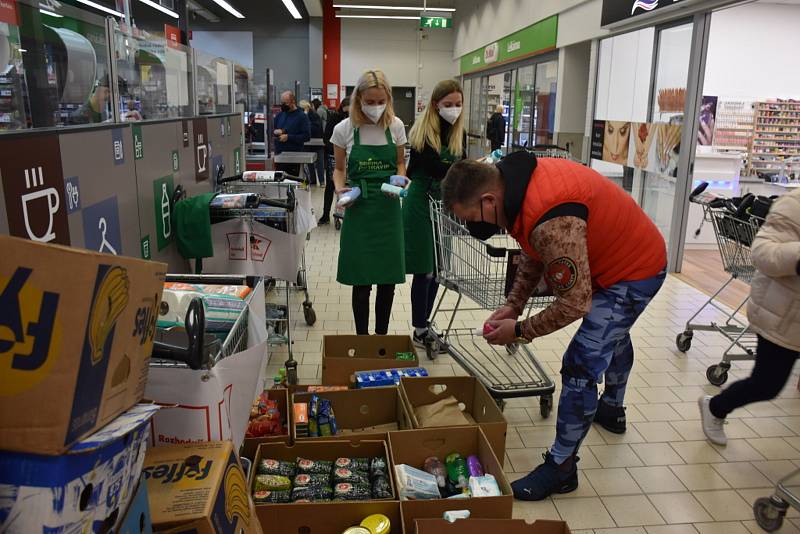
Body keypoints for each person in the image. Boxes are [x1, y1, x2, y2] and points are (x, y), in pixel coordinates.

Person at [441, 151, 667, 500]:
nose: (474, 229)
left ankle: (561, 467)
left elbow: (575, 303)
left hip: (635, 271)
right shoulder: (518, 188)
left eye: (472, 219)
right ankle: (612, 408)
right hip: (615, 258)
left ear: (488, 199)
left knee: (581, 363)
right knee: (612, 334)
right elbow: (535, 253)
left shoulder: (549, 217)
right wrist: (512, 306)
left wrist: (518, 331)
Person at [700, 188, 800, 445]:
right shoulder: (793, 204)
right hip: (783, 315)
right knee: (767, 384)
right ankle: (716, 407)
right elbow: (762, 253)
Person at [331, 69, 407, 335]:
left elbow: (400, 163)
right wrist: (341, 191)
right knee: (361, 282)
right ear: (358, 99)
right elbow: (339, 169)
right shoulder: (343, 129)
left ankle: (381, 338)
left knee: (388, 282)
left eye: (380, 101)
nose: (376, 107)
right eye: (370, 101)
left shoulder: (395, 126)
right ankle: (363, 339)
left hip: (388, 210)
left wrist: (399, 180)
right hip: (359, 208)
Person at [403, 79, 466, 346]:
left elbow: (457, 167)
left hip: (442, 206)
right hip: (419, 203)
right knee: (425, 270)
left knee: (439, 270)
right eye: (448, 105)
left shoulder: (456, 133)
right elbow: (434, 169)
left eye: (458, 105)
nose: (454, 109)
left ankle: (425, 324)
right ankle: (419, 329)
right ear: (435, 105)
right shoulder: (423, 133)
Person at [318, 97, 350, 225]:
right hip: (333, 156)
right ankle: (326, 215)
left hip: (349, 157)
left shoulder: (356, 121)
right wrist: (339, 150)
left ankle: (344, 214)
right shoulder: (334, 118)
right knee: (331, 186)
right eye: (345, 112)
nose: (347, 115)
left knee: (346, 187)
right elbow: (327, 138)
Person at [273, 91, 310, 177]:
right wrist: (275, 132)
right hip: (280, 157)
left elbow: (306, 136)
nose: (283, 105)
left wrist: (289, 137)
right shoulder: (280, 115)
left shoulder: (302, 117)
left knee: (293, 183)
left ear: (293, 101)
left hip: (294, 157)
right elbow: (271, 130)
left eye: (285, 103)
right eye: (281, 103)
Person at [300, 99, 325, 185]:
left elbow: (314, 129)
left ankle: (321, 181)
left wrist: (306, 117)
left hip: (317, 143)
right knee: (310, 163)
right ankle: (313, 181)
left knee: (319, 164)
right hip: (308, 144)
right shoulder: (303, 116)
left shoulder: (314, 115)